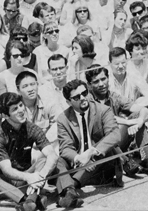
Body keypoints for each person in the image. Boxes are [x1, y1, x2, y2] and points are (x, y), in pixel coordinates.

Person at [0, 92, 57, 211]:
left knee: (44, 160)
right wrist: (29, 178)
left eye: (21, 105)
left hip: (27, 181)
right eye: (15, 109)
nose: (21, 110)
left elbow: (52, 154)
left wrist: (41, 176)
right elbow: (7, 170)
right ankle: (29, 199)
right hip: (3, 184)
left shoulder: (32, 128)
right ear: (5, 115)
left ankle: (28, 201)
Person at [54, 79, 124, 209]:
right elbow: (65, 148)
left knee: (102, 151)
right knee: (58, 160)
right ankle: (70, 193)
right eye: (76, 97)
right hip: (78, 163)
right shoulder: (63, 119)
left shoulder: (103, 110)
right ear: (68, 102)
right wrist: (79, 158)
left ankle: (67, 190)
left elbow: (114, 134)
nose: (83, 98)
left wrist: (91, 152)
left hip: (99, 164)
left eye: (85, 93)